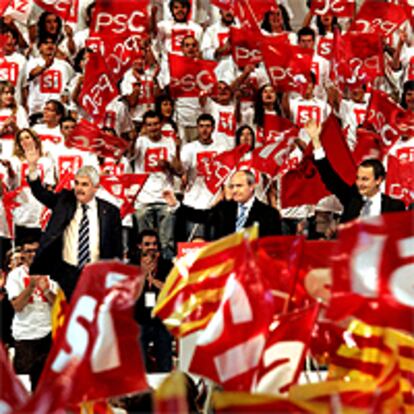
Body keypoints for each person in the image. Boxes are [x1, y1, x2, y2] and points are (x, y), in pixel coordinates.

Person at [26, 149, 122, 300]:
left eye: (85, 184)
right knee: (68, 318)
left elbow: (117, 248)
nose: (79, 188)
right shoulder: (64, 202)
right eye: (77, 183)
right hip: (67, 273)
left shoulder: (110, 211)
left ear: (96, 187)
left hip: (97, 274)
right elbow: (40, 193)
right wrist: (32, 167)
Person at [307, 120, 406, 223]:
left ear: (378, 180)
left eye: (365, 179)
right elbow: (330, 178)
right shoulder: (352, 199)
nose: (359, 183)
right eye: (358, 178)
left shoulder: (394, 207)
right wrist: (316, 141)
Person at [5, 240, 57, 391]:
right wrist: (31, 286)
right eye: (29, 251)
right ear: (22, 254)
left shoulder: (52, 272)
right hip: (26, 335)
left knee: (49, 382)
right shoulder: (15, 275)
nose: (33, 255)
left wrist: (46, 291)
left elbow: (59, 305)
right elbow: (17, 306)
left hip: (49, 332)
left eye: (36, 250)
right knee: (25, 384)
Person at [133, 229, 173, 373]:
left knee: (165, 365)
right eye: (147, 244)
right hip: (139, 320)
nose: (151, 247)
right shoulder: (132, 266)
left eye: (155, 244)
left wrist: (154, 281)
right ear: (139, 246)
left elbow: (172, 290)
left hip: (161, 320)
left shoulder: (167, 265)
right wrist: (143, 276)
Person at [210, 170, 282, 239]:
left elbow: (272, 246)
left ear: (251, 187)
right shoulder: (222, 208)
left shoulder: (270, 214)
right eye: (232, 186)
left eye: (239, 186)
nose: (234, 190)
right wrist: (200, 237)